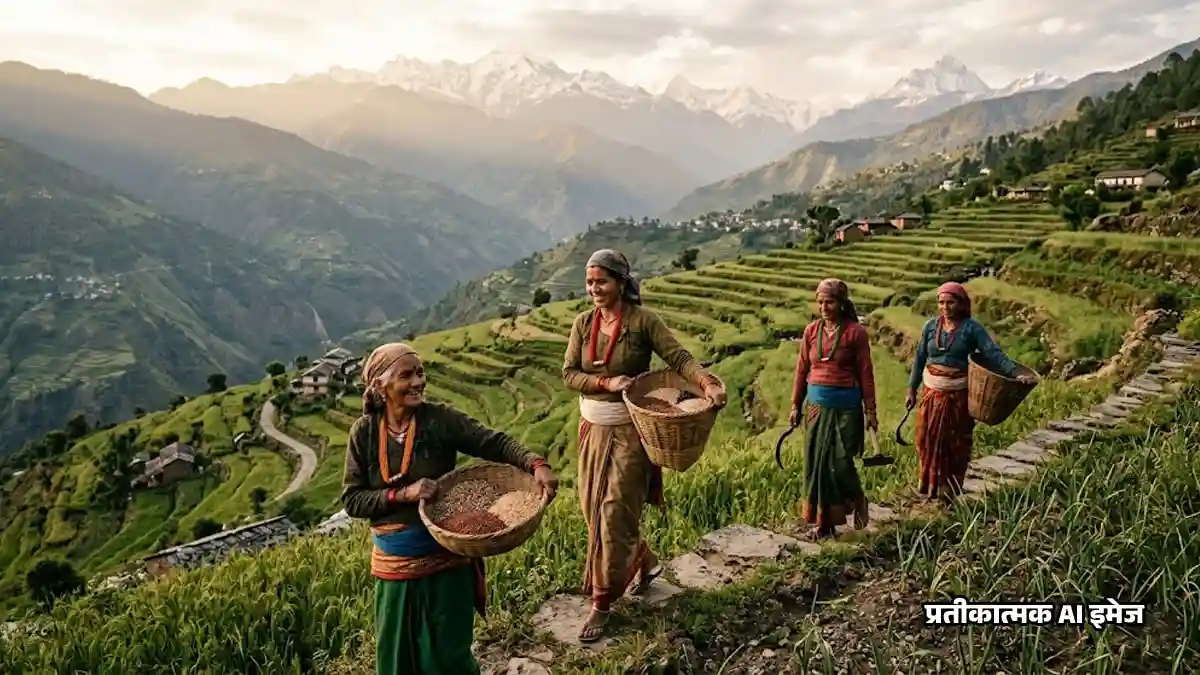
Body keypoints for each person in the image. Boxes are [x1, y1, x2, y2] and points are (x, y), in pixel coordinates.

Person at [341, 342, 559, 675]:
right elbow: (353, 500)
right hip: (395, 567)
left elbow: (492, 442)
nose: (418, 382)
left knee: (447, 657)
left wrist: (535, 463)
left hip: (447, 556)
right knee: (397, 658)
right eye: (406, 375)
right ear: (380, 385)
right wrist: (403, 494)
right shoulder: (365, 433)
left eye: (420, 373)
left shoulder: (439, 420)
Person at [562, 249, 727, 643]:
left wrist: (706, 384)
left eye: (601, 281)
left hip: (631, 430)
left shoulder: (643, 322)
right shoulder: (583, 324)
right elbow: (569, 373)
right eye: (589, 282)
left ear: (621, 282)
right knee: (592, 509)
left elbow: (678, 357)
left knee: (615, 512)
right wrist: (605, 383)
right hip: (593, 430)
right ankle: (644, 560)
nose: (594, 289)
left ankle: (602, 603)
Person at [906, 282, 1032, 502]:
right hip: (931, 392)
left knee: (955, 441)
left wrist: (1014, 373)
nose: (945, 307)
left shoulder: (972, 329)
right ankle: (928, 484)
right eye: (941, 302)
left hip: (957, 396)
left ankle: (949, 489)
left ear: (961, 304)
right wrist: (911, 390)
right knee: (926, 437)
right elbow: (919, 359)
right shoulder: (930, 327)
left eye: (950, 302)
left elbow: (993, 354)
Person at [789, 278, 878, 540]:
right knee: (817, 465)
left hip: (847, 407)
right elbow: (801, 370)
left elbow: (866, 373)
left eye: (829, 302)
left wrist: (871, 411)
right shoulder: (811, 332)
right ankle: (824, 523)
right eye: (820, 302)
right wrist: (796, 404)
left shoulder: (856, 333)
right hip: (816, 407)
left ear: (841, 304)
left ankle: (858, 498)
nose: (824, 307)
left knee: (840, 462)